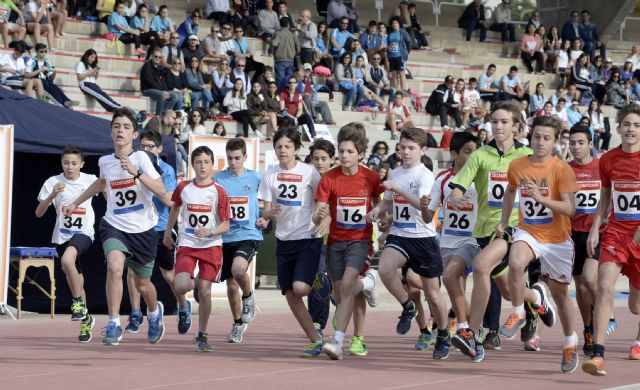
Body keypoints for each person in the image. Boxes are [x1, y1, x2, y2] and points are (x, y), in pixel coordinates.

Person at [63, 107, 167, 346]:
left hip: (142, 231)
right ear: (111, 132)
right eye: (117, 126)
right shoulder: (105, 161)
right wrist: (75, 201)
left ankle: (153, 312)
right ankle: (113, 323)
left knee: (143, 284)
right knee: (115, 267)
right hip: (114, 225)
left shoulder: (142, 158)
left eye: (126, 127)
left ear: (135, 135)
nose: (121, 131)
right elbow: (101, 183)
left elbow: (162, 191)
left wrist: (136, 173)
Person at [449, 100, 535, 362]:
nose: (498, 126)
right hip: (484, 230)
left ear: (516, 126)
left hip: (514, 228)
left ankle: (472, 335)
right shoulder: (480, 155)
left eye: (504, 122)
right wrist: (455, 197)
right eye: (494, 121)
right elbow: (458, 186)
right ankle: (537, 298)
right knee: (509, 290)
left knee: (481, 266)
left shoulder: (527, 155)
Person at [496, 115, 579, 373]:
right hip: (529, 231)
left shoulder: (561, 169)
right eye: (536, 137)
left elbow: (570, 208)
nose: (540, 142)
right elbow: (510, 191)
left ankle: (569, 341)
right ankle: (519, 311)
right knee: (515, 262)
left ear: (555, 141)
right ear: (529, 137)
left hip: (557, 240)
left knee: (561, 296)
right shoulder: (518, 165)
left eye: (546, 138)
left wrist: (540, 198)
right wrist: (503, 220)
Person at [366, 127, 452, 360]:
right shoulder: (394, 173)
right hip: (400, 234)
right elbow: (388, 202)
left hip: (423, 238)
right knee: (384, 268)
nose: (406, 152)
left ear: (423, 150)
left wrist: (400, 190)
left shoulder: (425, 176)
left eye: (411, 148)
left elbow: (423, 208)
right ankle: (408, 306)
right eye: (402, 147)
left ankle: (443, 333)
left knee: (433, 294)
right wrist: (377, 210)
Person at [314, 124, 381, 360]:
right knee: (343, 292)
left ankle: (340, 340)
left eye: (350, 152)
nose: (344, 156)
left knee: (348, 285)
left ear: (360, 153)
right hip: (335, 241)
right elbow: (318, 210)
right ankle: (369, 284)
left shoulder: (371, 178)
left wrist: (379, 215)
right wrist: (319, 216)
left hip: (361, 241)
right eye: (341, 151)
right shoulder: (329, 178)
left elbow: (381, 203)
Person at [582, 104, 640, 375]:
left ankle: (638, 339)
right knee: (603, 284)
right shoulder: (608, 160)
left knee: (636, 305)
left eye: (637, 125)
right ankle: (598, 353)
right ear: (618, 128)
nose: (631, 129)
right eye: (627, 124)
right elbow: (605, 197)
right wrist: (595, 228)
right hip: (616, 231)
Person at [258, 127, 323, 357]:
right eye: (279, 146)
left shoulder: (310, 173)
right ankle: (315, 340)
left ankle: (320, 279)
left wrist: (321, 220)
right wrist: (268, 214)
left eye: (287, 146)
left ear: (296, 149)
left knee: (300, 288)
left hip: (307, 237)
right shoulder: (269, 175)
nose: (282, 150)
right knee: (290, 294)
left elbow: (322, 202)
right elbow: (265, 212)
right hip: (283, 240)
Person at [163, 146, 230, 352]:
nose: (202, 166)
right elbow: (175, 207)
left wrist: (209, 232)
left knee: (205, 291)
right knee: (181, 285)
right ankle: (197, 287)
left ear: (212, 165)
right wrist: (168, 233)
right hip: (188, 244)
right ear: (192, 165)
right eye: (198, 162)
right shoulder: (183, 187)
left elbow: (226, 225)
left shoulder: (218, 191)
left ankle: (202, 335)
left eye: (206, 162)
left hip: (210, 245)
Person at [124, 130, 189, 336]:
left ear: (159, 149)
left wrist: (143, 178)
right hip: (139, 227)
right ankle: (135, 313)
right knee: (132, 271)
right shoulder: (132, 165)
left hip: (160, 228)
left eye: (150, 147)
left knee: (169, 275)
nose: (145, 150)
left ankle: (183, 305)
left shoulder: (166, 170)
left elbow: (168, 199)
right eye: (142, 146)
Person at [421, 132, 480, 354]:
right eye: (467, 152)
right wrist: (425, 205)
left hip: (474, 240)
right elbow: (428, 217)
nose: (473, 156)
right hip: (448, 242)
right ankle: (474, 329)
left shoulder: (481, 178)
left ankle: (465, 328)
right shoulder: (442, 179)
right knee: (456, 287)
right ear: (454, 154)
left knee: (451, 278)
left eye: (475, 151)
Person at [35, 145, 97, 342]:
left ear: (82, 164)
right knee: (76, 280)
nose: (70, 167)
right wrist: (53, 194)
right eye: (66, 163)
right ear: (61, 163)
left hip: (84, 232)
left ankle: (77, 303)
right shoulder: (53, 182)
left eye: (74, 163)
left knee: (68, 260)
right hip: (62, 236)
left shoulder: (90, 180)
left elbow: (106, 192)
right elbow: (38, 213)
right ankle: (86, 320)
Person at [214, 138, 262, 343]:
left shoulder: (257, 178)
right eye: (230, 158)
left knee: (239, 270)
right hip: (225, 237)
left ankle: (249, 296)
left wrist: (265, 217)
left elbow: (269, 201)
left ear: (245, 157)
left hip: (248, 235)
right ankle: (237, 324)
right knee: (231, 286)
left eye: (237, 158)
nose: (233, 162)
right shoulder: (218, 179)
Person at [567, 125, 601, 356]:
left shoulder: (602, 167)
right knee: (579, 286)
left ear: (590, 143)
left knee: (590, 280)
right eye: (572, 143)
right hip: (573, 234)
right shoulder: (565, 169)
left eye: (580, 142)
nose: (576, 147)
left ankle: (604, 314)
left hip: (597, 233)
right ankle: (588, 328)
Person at [25, 43, 77, 108]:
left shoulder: (47, 62)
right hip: (37, 80)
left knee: (56, 88)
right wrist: (40, 70)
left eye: (45, 51)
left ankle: (67, 101)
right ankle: (62, 104)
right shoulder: (31, 61)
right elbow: (27, 75)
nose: (43, 53)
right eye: (41, 51)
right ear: (37, 52)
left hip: (46, 81)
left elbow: (51, 78)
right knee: (50, 88)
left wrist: (54, 72)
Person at [141, 47, 181, 115]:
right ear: (152, 56)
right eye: (156, 56)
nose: (158, 58)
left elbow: (163, 82)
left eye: (160, 57)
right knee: (162, 95)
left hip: (158, 90)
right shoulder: (147, 65)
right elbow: (150, 81)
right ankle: (158, 116)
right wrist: (162, 91)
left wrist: (166, 91)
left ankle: (163, 112)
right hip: (147, 90)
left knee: (175, 96)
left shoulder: (160, 68)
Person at [272, 18, 299, 85]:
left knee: (281, 82)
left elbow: (274, 43)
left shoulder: (279, 33)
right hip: (290, 60)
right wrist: (294, 54)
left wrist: (270, 39)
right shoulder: (293, 34)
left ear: (280, 24)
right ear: (288, 25)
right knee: (290, 82)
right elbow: (298, 48)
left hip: (280, 61)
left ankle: (281, 95)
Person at [387, 16, 410, 92]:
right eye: (393, 23)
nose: (394, 24)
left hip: (400, 56)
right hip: (391, 56)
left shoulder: (403, 32)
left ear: (399, 23)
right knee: (394, 74)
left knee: (401, 73)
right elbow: (388, 44)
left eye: (395, 23)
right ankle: (396, 91)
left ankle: (403, 90)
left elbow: (408, 43)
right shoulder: (390, 33)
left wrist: (406, 52)